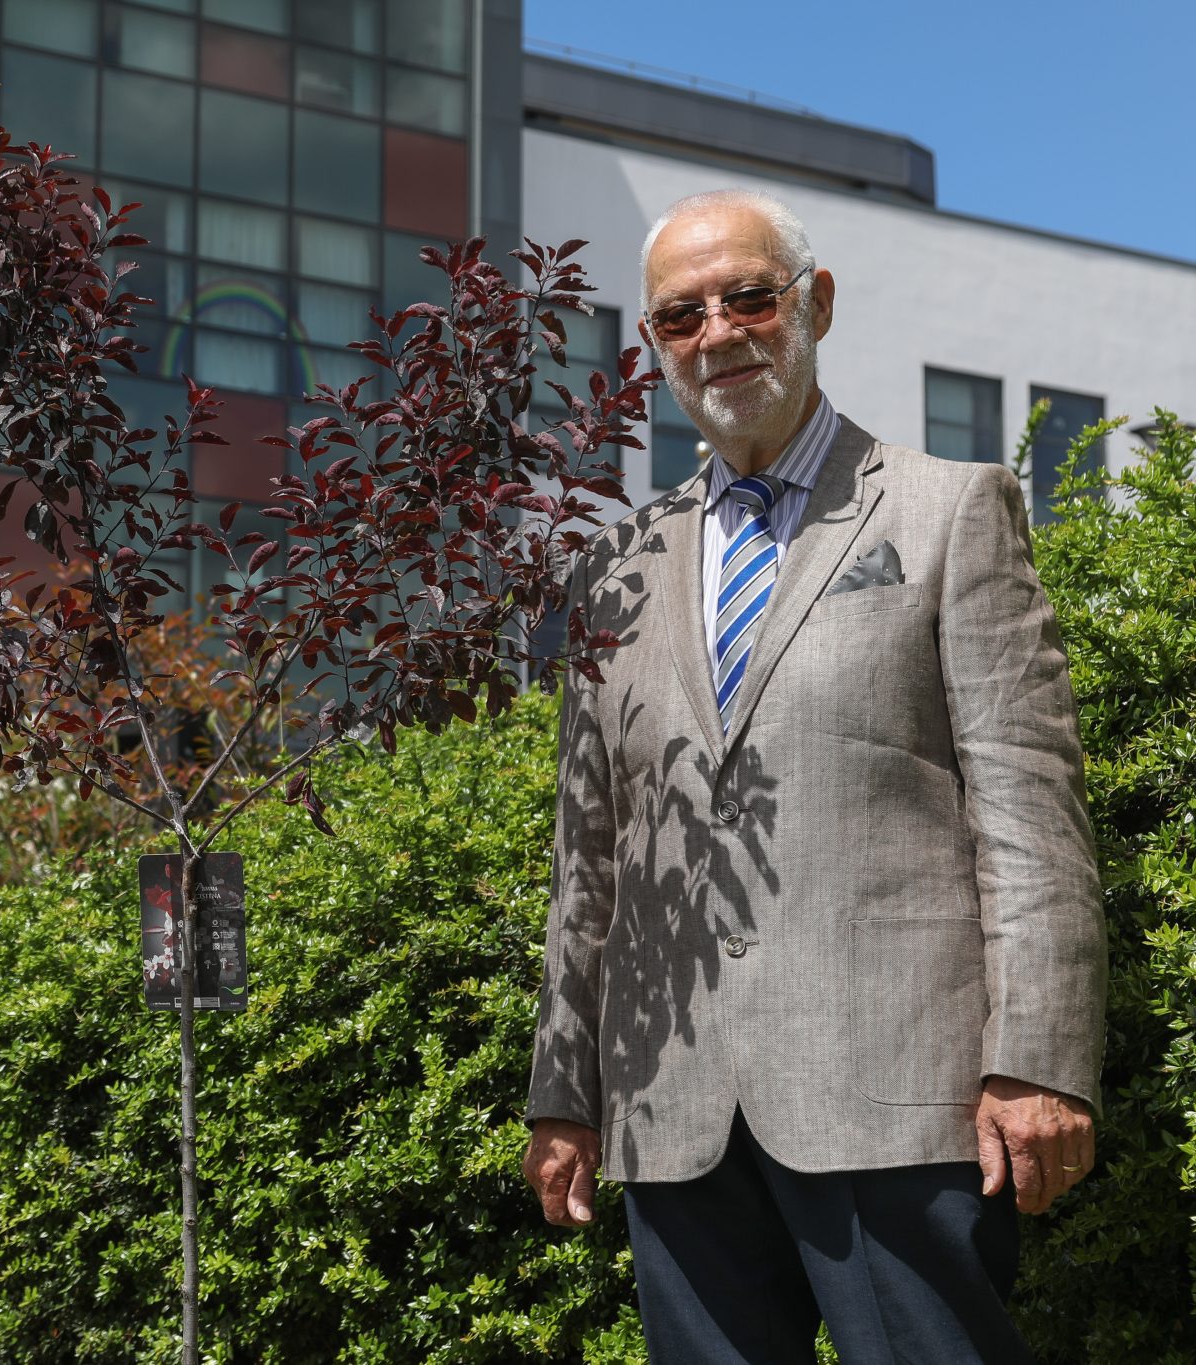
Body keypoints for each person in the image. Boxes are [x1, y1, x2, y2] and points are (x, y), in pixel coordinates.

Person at [522, 189, 1106, 1361]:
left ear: (814, 305)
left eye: (747, 296)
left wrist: (1035, 1060)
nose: (717, 334)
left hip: (899, 1097)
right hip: (670, 1107)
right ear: (651, 347)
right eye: (679, 317)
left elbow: (1027, 814)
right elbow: (588, 854)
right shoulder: (612, 574)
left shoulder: (950, 513)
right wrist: (561, 1090)